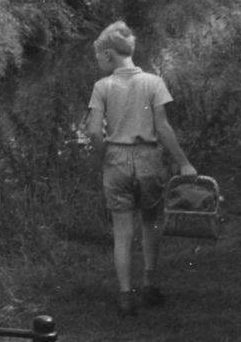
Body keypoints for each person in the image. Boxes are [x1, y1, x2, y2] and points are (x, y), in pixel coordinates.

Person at [85, 20, 196, 318]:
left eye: (98, 56)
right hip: (148, 159)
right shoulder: (153, 82)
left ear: (109, 55)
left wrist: (104, 154)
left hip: (116, 159)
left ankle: (125, 295)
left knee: (122, 231)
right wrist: (184, 162)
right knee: (150, 222)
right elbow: (163, 127)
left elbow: (95, 131)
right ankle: (149, 284)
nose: (97, 61)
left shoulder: (102, 87)